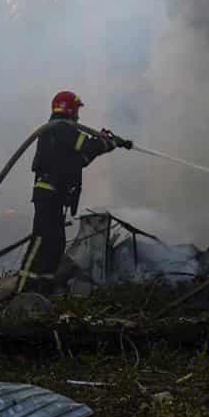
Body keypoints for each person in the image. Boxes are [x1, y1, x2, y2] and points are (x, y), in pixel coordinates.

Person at [17, 90, 131, 295]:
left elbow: (81, 159)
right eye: (76, 110)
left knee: (56, 242)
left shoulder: (62, 132)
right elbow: (87, 145)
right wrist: (107, 142)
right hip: (48, 193)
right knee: (42, 240)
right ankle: (24, 287)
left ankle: (44, 287)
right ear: (69, 109)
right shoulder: (61, 129)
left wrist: (108, 144)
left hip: (57, 195)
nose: (78, 115)